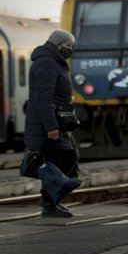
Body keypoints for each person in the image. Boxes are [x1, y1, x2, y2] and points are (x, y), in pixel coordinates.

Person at [24, 29, 80, 218]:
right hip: (47, 124)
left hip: (57, 121)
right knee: (57, 161)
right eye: (67, 46)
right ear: (57, 44)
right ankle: (49, 204)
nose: (69, 50)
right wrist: (51, 127)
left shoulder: (54, 62)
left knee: (66, 158)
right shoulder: (47, 63)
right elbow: (43, 99)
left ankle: (51, 201)